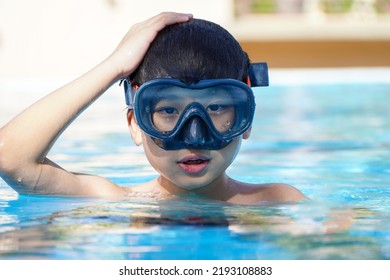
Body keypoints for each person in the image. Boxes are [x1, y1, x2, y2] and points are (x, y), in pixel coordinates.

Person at [0, 12, 306, 205]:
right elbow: (10, 158)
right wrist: (115, 66)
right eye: (169, 112)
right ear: (135, 123)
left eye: (215, 108)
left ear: (246, 118)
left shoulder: (277, 200)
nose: (194, 136)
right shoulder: (117, 201)